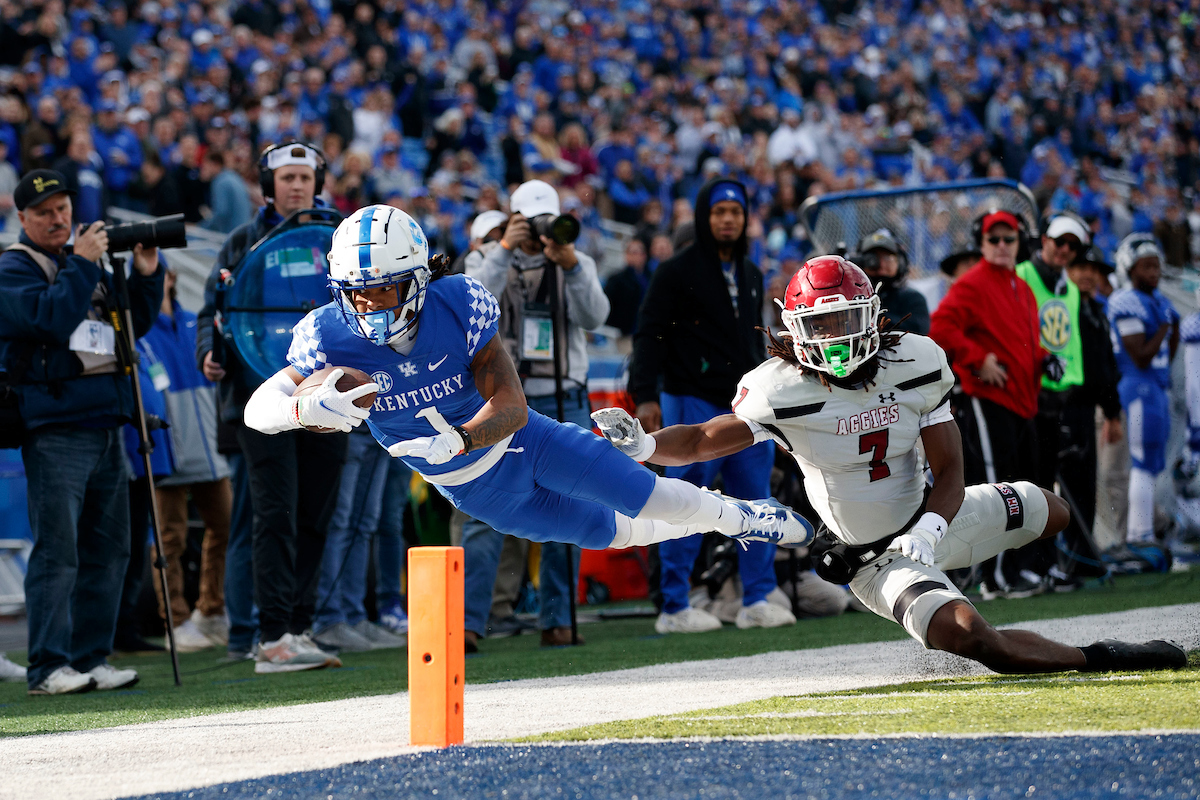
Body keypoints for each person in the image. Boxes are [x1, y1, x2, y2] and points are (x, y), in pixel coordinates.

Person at [242, 205, 813, 649]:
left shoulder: (458, 301)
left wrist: (461, 439)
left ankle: (744, 517)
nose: (368, 306)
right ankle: (722, 514)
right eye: (355, 294)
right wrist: (300, 410)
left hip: (525, 442)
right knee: (614, 533)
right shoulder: (328, 336)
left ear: (415, 279)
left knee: (648, 495)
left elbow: (511, 404)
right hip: (474, 492)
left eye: (382, 289)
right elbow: (256, 409)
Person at [593, 255, 1187, 675]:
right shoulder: (778, 389)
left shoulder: (916, 361)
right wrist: (645, 447)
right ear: (795, 330)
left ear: (873, 316)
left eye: (847, 319)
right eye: (821, 324)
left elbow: (950, 471)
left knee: (1052, 511)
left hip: (936, 519)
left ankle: (982, 566)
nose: (837, 336)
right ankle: (1103, 657)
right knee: (974, 639)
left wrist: (932, 527)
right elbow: (699, 440)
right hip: (879, 560)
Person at [0, 169, 163, 695]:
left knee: (110, 549)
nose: (58, 219)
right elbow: (49, 320)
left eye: (63, 208)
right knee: (58, 552)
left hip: (105, 423)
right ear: (22, 217)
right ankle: (47, 666)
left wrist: (145, 274)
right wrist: (85, 264)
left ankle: (91, 657)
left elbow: (128, 325)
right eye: (45, 212)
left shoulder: (83, 263)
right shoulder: (13, 268)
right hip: (54, 427)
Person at [196, 142, 345, 674]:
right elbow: (212, 315)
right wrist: (208, 355)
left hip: (330, 399)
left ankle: (299, 626)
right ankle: (272, 635)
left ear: (318, 181)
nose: (297, 186)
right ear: (268, 184)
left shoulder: (340, 240)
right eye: (287, 178)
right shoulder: (242, 241)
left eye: (305, 176)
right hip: (264, 402)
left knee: (315, 516)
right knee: (275, 516)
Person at [628, 177, 793, 634]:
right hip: (688, 398)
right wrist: (644, 395)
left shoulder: (753, 273)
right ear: (705, 218)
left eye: (735, 212)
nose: (727, 220)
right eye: (719, 212)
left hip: (744, 407)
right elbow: (649, 334)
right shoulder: (675, 270)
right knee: (683, 501)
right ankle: (675, 606)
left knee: (755, 499)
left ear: (745, 220)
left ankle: (757, 598)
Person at [461, 179, 611, 648]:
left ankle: (557, 616)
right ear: (512, 217)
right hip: (497, 397)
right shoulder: (484, 258)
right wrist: (504, 248)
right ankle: (466, 622)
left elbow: (595, 318)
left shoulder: (574, 260)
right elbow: (469, 307)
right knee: (478, 509)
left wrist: (572, 267)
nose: (540, 230)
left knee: (572, 503)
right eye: (530, 220)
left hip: (562, 392)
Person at [929, 210, 1057, 600]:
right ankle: (995, 577)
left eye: (1009, 239)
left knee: (1021, 483)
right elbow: (940, 329)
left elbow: (1021, 341)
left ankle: (1015, 569)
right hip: (989, 400)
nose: (1002, 246)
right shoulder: (973, 283)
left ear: (1019, 244)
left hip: (1022, 401)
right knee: (1000, 487)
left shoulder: (1023, 287)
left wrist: (1043, 355)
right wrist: (977, 358)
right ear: (983, 245)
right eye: (994, 239)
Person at [1015, 214, 1113, 588]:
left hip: (1062, 398)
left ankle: (1064, 562)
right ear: (1045, 240)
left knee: (1071, 480)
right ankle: (1033, 564)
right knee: (1032, 482)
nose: (1065, 250)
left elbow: (1068, 346)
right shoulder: (1022, 274)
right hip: (1026, 394)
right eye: (1060, 242)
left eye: (1073, 246)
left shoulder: (1069, 288)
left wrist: (1069, 382)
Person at [142, 265, 233, 652]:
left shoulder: (192, 321)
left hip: (208, 447)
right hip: (167, 447)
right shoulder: (138, 329)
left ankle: (211, 609)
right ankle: (175, 621)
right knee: (169, 539)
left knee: (227, 526)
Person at [1104, 234, 1179, 572]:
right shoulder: (1125, 301)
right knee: (1141, 463)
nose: (1154, 272)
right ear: (1128, 269)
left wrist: (1167, 326)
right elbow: (1142, 354)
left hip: (1155, 388)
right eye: (1145, 266)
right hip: (1137, 387)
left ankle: (1143, 533)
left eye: (1156, 266)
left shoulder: (1156, 301)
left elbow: (1166, 351)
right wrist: (1165, 324)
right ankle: (1139, 536)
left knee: (1150, 463)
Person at [853, 228, 929, 334]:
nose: (881, 264)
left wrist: (871, 315)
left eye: (887, 258)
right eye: (873, 258)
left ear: (900, 263)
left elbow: (918, 331)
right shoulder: (852, 299)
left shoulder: (913, 299)